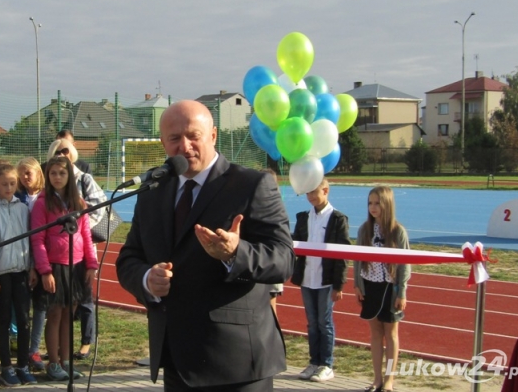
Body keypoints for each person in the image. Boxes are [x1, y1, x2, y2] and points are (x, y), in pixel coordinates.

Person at [115, 100, 295, 391]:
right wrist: (148, 279)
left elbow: (284, 259)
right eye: (174, 139)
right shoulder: (152, 192)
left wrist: (236, 252)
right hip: (177, 359)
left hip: (237, 364)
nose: (184, 147)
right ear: (163, 142)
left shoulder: (251, 185)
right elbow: (129, 259)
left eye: (193, 136)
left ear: (213, 135)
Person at [30, 157, 98, 382]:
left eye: (62, 173)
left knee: (70, 315)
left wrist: (91, 264)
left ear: (70, 176)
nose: (57, 177)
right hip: (54, 267)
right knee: (55, 314)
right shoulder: (42, 203)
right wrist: (45, 271)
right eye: (53, 173)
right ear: (47, 177)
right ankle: (54, 363)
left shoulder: (79, 202)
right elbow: (38, 239)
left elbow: (86, 235)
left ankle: (67, 361)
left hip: (77, 266)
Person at [0, 164, 37, 386]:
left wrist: (31, 267)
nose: (9, 187)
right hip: (1, 275)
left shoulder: (22, 209)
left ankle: (22, 365)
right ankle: (6, 367)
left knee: (23, 319)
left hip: (21, 272)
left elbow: (29, 241)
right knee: (2, 320)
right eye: (4, 184)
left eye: (13, 183)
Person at [290, 178, 350, 383]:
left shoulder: (338, 219)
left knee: (325, 322)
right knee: (312, 323)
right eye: (307, 193)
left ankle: (327, 364)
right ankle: (314, 362)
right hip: (307, 278)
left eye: (314, 192)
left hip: (325, 281)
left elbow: (342, 254)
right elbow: (295, 244)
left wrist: (339, 284)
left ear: (325, 190)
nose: (310, 197)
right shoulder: (303, 217)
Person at [353, 186, 410, 392]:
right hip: (370, 286)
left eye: (377, 203)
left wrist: (401, 292)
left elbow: (405, 264)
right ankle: (376, 379)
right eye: (370, 203)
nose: (373, 207)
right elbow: (358, 259)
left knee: (391, 333)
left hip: (390, 288)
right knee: (375, 333)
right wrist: (357, 285)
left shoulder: (398, 232)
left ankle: (389, 380)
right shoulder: (364, 230)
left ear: (387, 204)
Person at [13, 157, 46, 371]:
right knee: (23, 309)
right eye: (22, 173)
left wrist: (38, 264)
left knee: (42, 308)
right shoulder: (16, 198)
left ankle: (34, 348)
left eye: (29, 172)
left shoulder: (46, 197)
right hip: (22, 259)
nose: (25, 177)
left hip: (43, 259)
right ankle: (22, 348)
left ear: (37, 173)